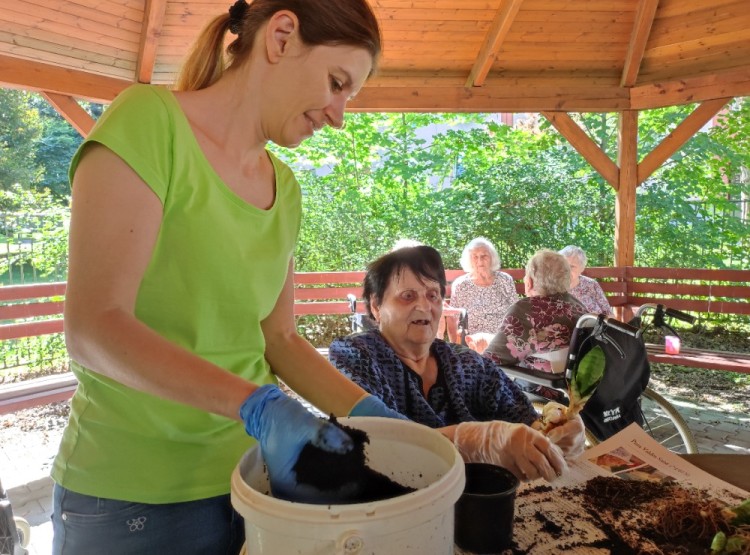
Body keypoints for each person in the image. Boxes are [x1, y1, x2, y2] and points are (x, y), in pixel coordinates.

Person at [51, 2, 402, 553]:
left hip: (253, 483)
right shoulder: (148, 122)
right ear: (282, 37)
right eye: (336, 84)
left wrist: (374, 416)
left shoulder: (284, 188)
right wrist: (257, 404)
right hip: (132, 496)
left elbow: (280, 340)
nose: (338, 115)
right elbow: (93, 327)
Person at [328, 245, 585, 483]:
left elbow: (522, 417)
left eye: (433, 295)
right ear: (375, 306)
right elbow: (372, 442)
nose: (424, 305)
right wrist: (475, 440)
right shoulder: (355, 355)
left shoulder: (466, 363)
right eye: (407, 296)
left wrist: (554, 434)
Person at [484, 249, 587, 375]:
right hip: (573, 388)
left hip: (536, 388)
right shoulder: (578, 306)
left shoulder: (525, 310)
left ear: (529, 282)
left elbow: (490, 363)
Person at [446, 237, 519, 349]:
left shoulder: (504, 280)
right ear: (469, 260)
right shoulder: (461, 285)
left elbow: (516, 310)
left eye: (484, 256)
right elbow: (452, 317)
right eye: (475, 257)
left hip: (503, 339)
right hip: (473, 342)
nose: (480, 261)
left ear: (492, 258)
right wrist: (454, 346)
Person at [559, 245, 612, 315]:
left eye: (572, 266)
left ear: (582, 268)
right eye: (563, 265)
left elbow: (608, 314)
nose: (566, 270)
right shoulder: (552, 287)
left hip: (596, 325)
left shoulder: (591, 284)